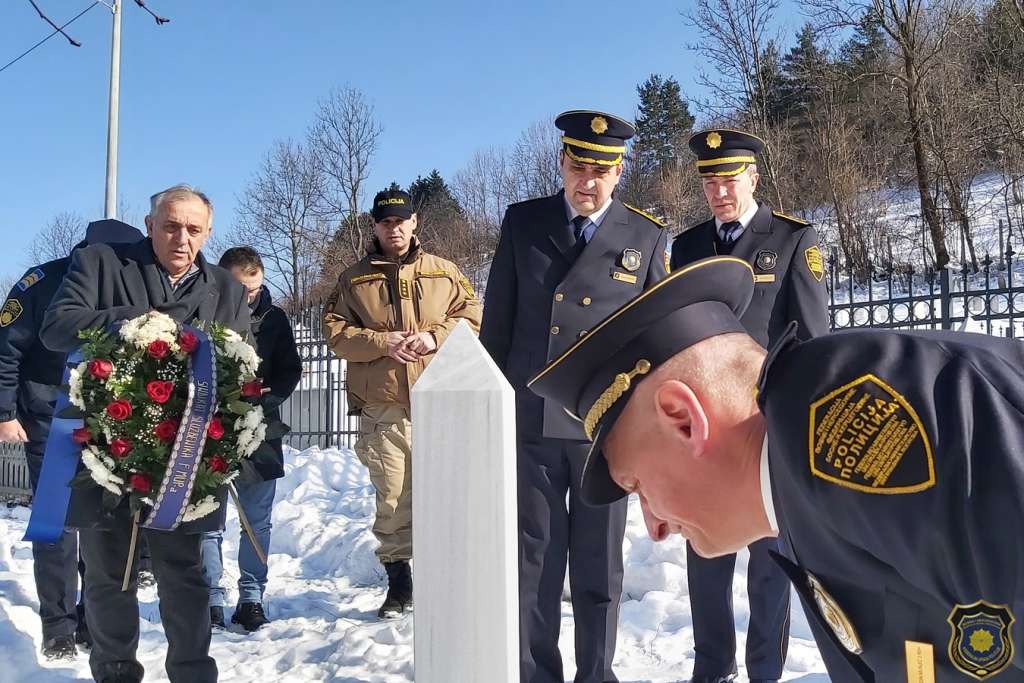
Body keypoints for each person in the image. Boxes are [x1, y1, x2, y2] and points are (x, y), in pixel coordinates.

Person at [529, 256, 1024, 683]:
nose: (654, 526)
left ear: (683, 420)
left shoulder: (848, 423)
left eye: (636, 485)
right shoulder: (803, 478)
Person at [480, 110, 668, 683]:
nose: (587, 181)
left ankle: (596, 674)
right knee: (533, 563)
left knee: (598, 566)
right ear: (561, 163)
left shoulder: (645, 235)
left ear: (619, 173)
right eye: (578, 166)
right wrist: (496, 415)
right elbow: (498, 326)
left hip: (602, 428)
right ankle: (538, 675)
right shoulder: (523, 223)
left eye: (601, 170)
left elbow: (656, 340)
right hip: (533, 421)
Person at [40, 184, 251, 683]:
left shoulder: (227, 288)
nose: (182, 238)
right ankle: (115, 674)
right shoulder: (101, 263)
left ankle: (193, 674)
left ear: (208, 233)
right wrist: (134, 323)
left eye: (194, 229)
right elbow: (57, 327)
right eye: (171, 226)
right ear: (149, 224)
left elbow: (241, 368)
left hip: (188, 459)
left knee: (186, 577)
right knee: (109, 578)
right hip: (104, 452)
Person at [669, 129, 829, 683]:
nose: (719, 190)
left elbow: (812, 341)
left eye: (729, 178)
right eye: (709, 180)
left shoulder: (791, 240)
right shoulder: (686, 249)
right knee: (706, 556)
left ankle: (765, 671)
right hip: (706, 434)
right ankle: (712, 667)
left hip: (767, 429)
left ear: (753, 177)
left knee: (768, 564)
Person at [322, 188, 482, 618]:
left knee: (449, 489)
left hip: (443, 399)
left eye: (401, 220)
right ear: (374, 226)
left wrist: (434, 336)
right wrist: (381, 342)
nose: (394, 229)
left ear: (414, 223)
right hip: (385, 405)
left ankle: (447, 576)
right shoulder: (353, 279)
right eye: (385, 222)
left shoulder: (445, 272)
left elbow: (473, 315)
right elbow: (335, 332)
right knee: (393, 494)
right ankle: (399, 583)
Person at [0, 219, 142, 660]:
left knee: (103, 524)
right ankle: (57, 624)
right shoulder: (42, 281)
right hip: (50, 415)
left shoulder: (135, 285)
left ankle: (90, 616)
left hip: (114, 420)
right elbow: (7, 349)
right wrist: (4, 414)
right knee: (57, 525)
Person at [200, 246, 301, 632]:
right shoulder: (201, 312)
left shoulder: (274, 319)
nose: (251, 297)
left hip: (259, 430)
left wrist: (262, 399)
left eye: (257, 290)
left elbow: (290, 369)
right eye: (243, 290)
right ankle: (210, 598)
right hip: (206, 430)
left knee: (257, 522)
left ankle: (251, 597)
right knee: (208, 521)